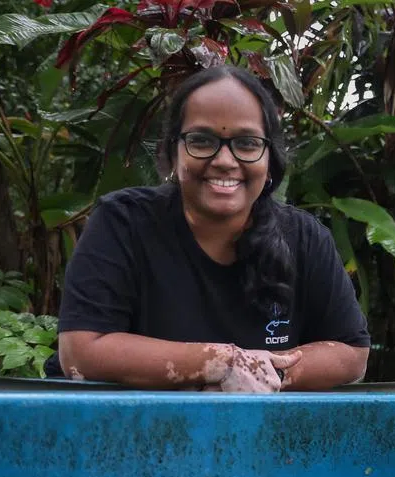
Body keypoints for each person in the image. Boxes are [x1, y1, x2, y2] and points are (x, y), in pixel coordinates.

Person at [45, 64, 371, 392]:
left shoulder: (304, 239)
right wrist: (221, 363)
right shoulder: (122, 223)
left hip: (254, 434)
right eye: (202, 141)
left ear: (269, 158)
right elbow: (82, 351)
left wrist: (263, 373)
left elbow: (352, 353)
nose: (225, 160)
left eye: (246, 143)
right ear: (173, 152)